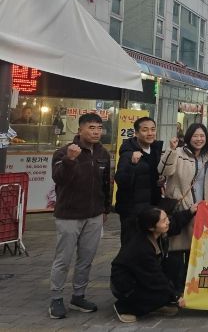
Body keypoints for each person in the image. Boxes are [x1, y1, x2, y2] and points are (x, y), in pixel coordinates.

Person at [48, 113, 111, 319]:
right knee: (63, 259)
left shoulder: (103, 153)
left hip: (94, 215)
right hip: (69, 215)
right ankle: (56, 298)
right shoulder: (64, 152)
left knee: (86, 258)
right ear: (80, 129)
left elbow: (106, 183)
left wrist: (105, 209)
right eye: (91, 128)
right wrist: (70, 160)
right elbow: (59, 179)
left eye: (99, 128)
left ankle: (78, 296)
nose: (96, 132)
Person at [110, 206, 193, 323]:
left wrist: (190, 211)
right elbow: (155, 278)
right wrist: (176, 296)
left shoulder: (157, 231)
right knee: (162, 294)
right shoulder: (142, 248)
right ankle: (124, 307)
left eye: (166, 218)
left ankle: (156, 303)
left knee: (170, 275)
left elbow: (175, 221)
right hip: (124, 284)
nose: (168, 222)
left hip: (142, 275)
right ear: (151, 227)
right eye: (163, 221)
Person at [160, 123, 208, 293]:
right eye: (195, 136)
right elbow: (164, 171)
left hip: (202, 210)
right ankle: (175, 290)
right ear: (188, 137)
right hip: (181, 209)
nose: (199, 139)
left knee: (197, 251)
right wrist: (171, 150)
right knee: (177, 252)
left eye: (202, 136)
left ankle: (192, 289)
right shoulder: (178, 153)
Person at [114, 117, 163, 245]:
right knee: (131, 247)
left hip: (152, 208)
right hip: (132, 211)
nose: (150, 133)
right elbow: (121, 180)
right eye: (145, 130)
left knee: (149, 246)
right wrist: (132, 165)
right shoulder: (128, 153)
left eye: (153, 129)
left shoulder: (155, 150)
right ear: (136, 133)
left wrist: (160, 182)